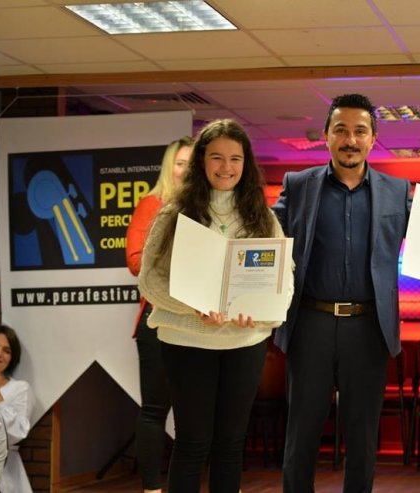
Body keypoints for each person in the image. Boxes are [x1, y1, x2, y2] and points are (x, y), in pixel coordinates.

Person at [139, 119, 291, 493]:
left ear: (246, 163)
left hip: (244, 341)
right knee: (192, 442)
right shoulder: (172, 214)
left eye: (235, 158)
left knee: (231, 444)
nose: (226, 167)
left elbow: (284, 281)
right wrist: (194, 308)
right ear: (201, 161)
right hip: (186, 340)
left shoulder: (263, 217)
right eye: (217, 157)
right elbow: (149, 281)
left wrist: (261, 314)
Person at [272, 93, 411, 493]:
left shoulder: (397, 191)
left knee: (363, 436)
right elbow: (265, 237)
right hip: (310, 323)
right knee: (302, 432)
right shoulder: (299, 185)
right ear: (326, 135)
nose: (351, 140)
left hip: (368, 327)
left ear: (373, 138)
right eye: (341, 130)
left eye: (360, 131)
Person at [125, 136, 193, 493]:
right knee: (154, 409)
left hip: (200, 322)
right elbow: (136, 261)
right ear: (169, 167)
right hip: (158, 319)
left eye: (192, 164)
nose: (186, 170)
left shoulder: (210, 208)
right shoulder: (151, 204)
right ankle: (151, 488)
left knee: (193, 413)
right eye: (180, 163)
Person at [0, 324, 36, 493]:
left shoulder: (20, 388)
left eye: (7, 350)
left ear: (12, 358)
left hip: (6, 473)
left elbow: (17, 433)